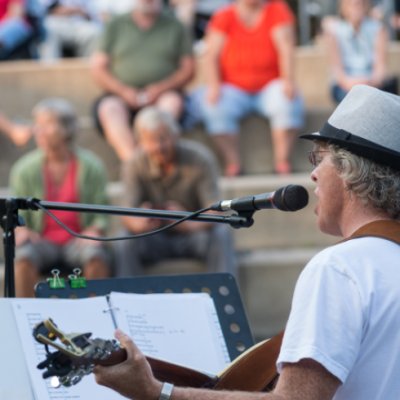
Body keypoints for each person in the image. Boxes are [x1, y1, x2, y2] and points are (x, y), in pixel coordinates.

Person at [94, 85, 400, 399]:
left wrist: (155, 392)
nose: (313, 174)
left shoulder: (339, 270)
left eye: (319, 158)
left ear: (349, 172)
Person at [114, 106, 236, 277]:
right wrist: (139, 224)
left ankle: (225, 300)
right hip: (153, 237)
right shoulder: (134, 164)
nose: (158, 147)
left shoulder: (200, 158)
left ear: (176, 135)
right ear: (141, 142)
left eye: (163, 139)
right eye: (150, 141)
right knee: (124, 239)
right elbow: (126, 212)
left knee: (220, 234)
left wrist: (188, 223)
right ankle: (124, 299)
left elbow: (215, 209)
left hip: (193, 236)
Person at [10, 98, 111, 298]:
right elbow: (16, 212)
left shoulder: (91, 166)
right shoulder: (24, 169)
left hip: (79, 239)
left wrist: (95, 228)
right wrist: (22, 228)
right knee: (22, 258)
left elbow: (102, 209)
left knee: (97, 257)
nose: (39, 130)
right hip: (41, 239)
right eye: (37, 124)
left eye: (46, 125)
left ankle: (94, 314)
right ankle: (26, 317)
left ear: (66, 129)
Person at [194, 0, 304, 176]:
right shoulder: (224, 15)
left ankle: (282, 162)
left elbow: (286, 48)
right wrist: (214, 86)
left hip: (270, 84)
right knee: (214, 106)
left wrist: (288, 80)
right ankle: (233, 163)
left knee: (288, 101)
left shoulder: (277, 10)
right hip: (232, 87)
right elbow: (211, 55)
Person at [90, 0, 194, 162]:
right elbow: (98, 67)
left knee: (172, 102)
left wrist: (159, 89)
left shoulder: (176, 25)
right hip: (121, 96)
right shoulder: (115, 24)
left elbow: (189, 69)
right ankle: (135, 163)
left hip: (163, 94)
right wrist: (124, 91)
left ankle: (150, 157)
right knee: (109, 108)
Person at [327, 0, 392, 103]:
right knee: (352, 101)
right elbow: (338, 71)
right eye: (353, 4)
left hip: (371, 82)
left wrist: (368, 84)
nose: (357, 8)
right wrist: (355, 85)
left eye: (361, 3)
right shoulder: (335, 30)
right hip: (346, 85)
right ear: (344, 6)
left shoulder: (378, 28)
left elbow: (380, 69)